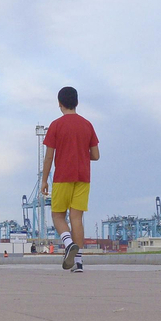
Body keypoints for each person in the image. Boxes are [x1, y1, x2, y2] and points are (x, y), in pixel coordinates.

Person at [38, 86, 100, 272]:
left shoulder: (56, 125)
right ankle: (79, 263)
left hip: (62, 176)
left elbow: (49, 156)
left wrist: (44, 180)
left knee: (57, 215)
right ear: (77, 102)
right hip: (83, 177)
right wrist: (80, 153)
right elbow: (96, 155)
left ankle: (68, 243)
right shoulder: (87, 125)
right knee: (77, 218)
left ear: (60, 103)